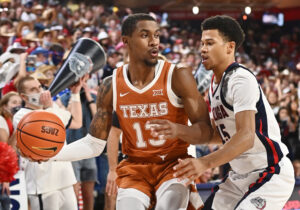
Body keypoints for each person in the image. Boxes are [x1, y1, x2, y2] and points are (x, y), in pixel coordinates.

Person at [50, 13, 212, 210]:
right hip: (134, 168)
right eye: (145, 35)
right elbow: (94, 144)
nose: (154, 42)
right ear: (126, 40)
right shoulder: (111, 85)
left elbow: (205, 131)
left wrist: (179, 130)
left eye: (157, 35)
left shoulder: (178, 75)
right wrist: (52, 154)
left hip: (173, 164)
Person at [150, 15, 295, 209]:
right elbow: (216, 135)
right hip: (238, 177)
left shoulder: (240, 79)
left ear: (229, 47)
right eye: (202, 43)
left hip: (269, 172)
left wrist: (204, 163)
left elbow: (246, 136)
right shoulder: (214, 84)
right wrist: (176, 130)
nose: (202, 49)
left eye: (210, 43)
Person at [13, 75, 83, 210]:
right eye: (33, 89)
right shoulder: (21, 116)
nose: (39, 91)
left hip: (65, 179)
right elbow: (46, 132)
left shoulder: (52, 107)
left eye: (39, 86)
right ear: (24, 97)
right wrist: (50, 107)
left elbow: (77, 122)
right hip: (43, 185)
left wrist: (75, 94)